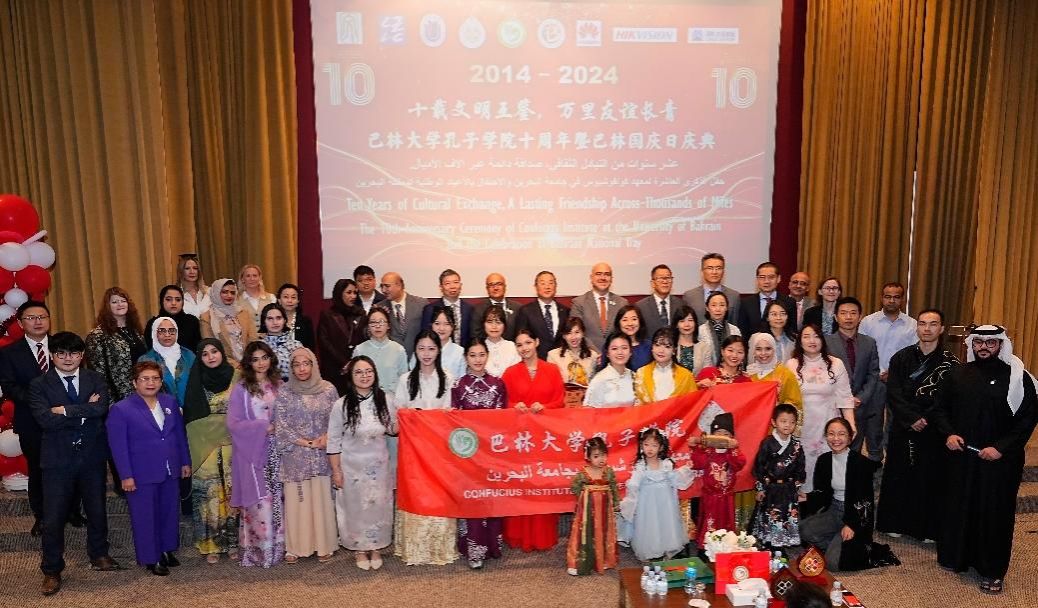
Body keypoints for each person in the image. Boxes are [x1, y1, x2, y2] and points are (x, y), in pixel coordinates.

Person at [931, 325, 1038, 594]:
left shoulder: (1018, 378)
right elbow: (940, 409)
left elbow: (1027, 420)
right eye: (978, 342)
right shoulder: (957, 374)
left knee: (994, 515)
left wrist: (1001, 448)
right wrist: (949, 433)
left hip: (1000, 462)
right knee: (959, 507)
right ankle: (957, 558)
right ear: (972, 344)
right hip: (962, 458)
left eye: (990, 343)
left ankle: (993, 571)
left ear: (1000, 345)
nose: (983, 347)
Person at [30, 331, 120, 595]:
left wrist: (64, 410)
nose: (67, 358)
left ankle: (99, 554)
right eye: (61, 353)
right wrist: (84, 410)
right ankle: (52, 569)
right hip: (57, 459)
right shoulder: (39, 385)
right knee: (53, 516)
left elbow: (100, 410)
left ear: (82, 356)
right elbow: (45, 420)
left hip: (91, 456)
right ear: (52, 355)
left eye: (74, 353)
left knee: (97, 509)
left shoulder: (95, 379)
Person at [876, 309, 958, 542]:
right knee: (899, 473)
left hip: (934, 427)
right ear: (917, 327)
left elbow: (949, 398)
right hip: (904, 424)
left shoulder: (951, 363)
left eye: (933, 324)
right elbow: (894, 392)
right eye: (922, 323)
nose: (927, 329)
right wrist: (911, 418)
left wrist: (927, 418)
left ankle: (927, 529)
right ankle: (895, 522)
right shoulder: (901, 358)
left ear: (941, 329)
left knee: (930, 477)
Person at [106, 361, 191, 576]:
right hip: (140, 473)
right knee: (145, 516)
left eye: (155, 378)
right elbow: (118, 447)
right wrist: (125, 475)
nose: (150, 383)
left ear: (161, 382)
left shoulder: (169, 402)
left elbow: (179, 435)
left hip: (170, 468)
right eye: (145, 379)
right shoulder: (121, 409)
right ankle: (151, 557)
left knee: (169, 511)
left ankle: (167, 549)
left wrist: (185, 461)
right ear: (135, 383)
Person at [393, 331, 458, 565]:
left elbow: (450, 414)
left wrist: (437, 417)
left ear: (438, 351)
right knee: (416, 493)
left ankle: (440, 549)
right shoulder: (405, 380)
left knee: (438, 494)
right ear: (415, 351)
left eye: (431, 348)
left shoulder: (448, 378)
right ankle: (415, 549)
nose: (426, 354)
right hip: (413, 449)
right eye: (421, 348)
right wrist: (413, 415)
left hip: (439, 448)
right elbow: (399, 412)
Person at [327, 356, 396, 571]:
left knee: (378, 508)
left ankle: (375, 548)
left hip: (379, 467)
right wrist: (336, 471)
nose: (364, 376)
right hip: (352, 467)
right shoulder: (341, 404)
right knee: (355, 508)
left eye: (368, 371)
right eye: (359, 372)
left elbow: (393, 429)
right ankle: (359, 548)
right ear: (351, 376)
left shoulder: (385, 399)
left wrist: (412, 416)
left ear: (375, 374)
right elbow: (333, 440)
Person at [501, 328, 565, 550]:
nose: (524, 348)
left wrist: (545, 407)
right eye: (519, 345)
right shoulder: (509, 373)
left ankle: (542, 536)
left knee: (542, 487)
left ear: (537, 342)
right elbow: (503, 402)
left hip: (545, 439)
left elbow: (560, 401)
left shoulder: (552, 370)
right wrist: (514, 406)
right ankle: (517, 535)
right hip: (520, 440)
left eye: (528, 342)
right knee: (521, 486)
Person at [274, 347, 338, 564]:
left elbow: (337, 420)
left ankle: (324, 544)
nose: (302, 369)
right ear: (291, 368)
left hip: (321, 454)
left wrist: (327, 436)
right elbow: (281, 425)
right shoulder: (285, 392)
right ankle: (296, 547)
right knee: (297, 502)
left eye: (306, 363)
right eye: (296, 364)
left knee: (321, 500)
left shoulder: (328, 389)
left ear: (313, 365)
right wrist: (305, 442)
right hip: (296, 455)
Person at [799, 418, 887, 571]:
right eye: (831, 434)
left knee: (832, 563)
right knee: (803, 530)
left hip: (854, 514)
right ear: (826, 437)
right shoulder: (824, 460)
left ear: (850, 437)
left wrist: (852, 524)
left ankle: (840, 545)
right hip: (834, 510)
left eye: (841, 434)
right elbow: (822, 493)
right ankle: (836, 542)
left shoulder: (860, 463)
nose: (836, 438)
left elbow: (865, 500)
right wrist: (807, 497)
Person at [227, 341, 284, 568]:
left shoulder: (279, 385)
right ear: (248, 363)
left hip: (277, 449)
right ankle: (261, 551)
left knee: (279, 498)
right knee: (260, 502)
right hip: (252, 451)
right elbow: (233, 423)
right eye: (255, 359)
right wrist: (263, 427)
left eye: (265, 357)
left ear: (271, 359)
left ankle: (280, 548)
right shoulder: (241, 389)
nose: (261, 363)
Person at [183, 339, 240, 564]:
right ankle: (211, 545)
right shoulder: (196, 379)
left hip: (232, 446)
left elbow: (245, 410)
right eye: (205, 354)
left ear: (222, 353)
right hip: (204, 447)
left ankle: (233, 543)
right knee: (209, 496)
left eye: (214, 351)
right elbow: (191, 418)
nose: (210, 357)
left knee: (232, 494)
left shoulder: (236, 376)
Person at [0, 301, 55, 535]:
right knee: (38, 468)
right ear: (21, 324)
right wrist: (40, 403)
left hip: (65, 419)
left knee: (69, 467)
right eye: (31, 318)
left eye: (42, 316)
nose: (38, 321)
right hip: (31, 420)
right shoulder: (9, 353)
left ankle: (72, 511)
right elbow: (9, 386)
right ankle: (41, 516)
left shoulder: (62, 345)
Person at [452, 339, 507, 569]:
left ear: (487, 356)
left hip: (492, 451)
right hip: (468, 453)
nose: (477, 359)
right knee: (473, 500)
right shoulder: (458, 385)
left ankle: (493, 545)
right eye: (473, 355)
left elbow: (503, 420)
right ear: (466, 358)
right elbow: (454, 422)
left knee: (491, 499)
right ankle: (474, 550)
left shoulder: (498, 384)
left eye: (482, 354)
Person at [787, 324, 854, 492]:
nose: (812, 340)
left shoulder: (836, 364)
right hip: (802, 428)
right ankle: (804, 500)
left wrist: (851, 425)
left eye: (816, 336)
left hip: (828, 426)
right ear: (799, 341)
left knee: (827, 467)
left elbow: (845, 398)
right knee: (803, 466)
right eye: (806, 336)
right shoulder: (791, 365)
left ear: (823, 340)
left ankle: (827, 500)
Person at [617, 428, 696, 561]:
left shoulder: (666, 464)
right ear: (641, 446)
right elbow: (634, 485)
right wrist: (628, 503)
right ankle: (651, 550)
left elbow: (676, 479)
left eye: (654, 445)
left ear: (661, 447)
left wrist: (687, 469)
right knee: (650, 525)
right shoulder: (641, 466)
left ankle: (666, 548)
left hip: (665, 502)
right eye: (646, 444)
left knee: (665, 523)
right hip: (647, 503)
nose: (650, 448)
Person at [825, 297, 882, 461]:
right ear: (836, 317)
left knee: (856, 449)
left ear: (860, 316)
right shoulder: (826, 342)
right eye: (843, 313)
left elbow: (873, 373)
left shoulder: (869, 343)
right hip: (835, 406)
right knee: (834, 450)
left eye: (853, 313)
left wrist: (860, 398)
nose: (848, 317)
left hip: (862, 405)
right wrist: (844, 399)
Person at [749, 403, 805, 549]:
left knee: (786, 516)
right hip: (771, 488)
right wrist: (760, 488)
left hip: (788, 488)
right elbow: (759, 467)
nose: (788, 425)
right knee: (771, 517)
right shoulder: (767, 443)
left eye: (792, 422)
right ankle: (769, 544)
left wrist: (798, 487)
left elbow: (800, 467)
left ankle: (781, 545)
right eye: (783, 421)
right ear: (774, 422)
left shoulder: (796, 445)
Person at [688, 413, 746, 547]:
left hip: (727, 496)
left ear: (732, 437)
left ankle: (726, 546)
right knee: (709, 522)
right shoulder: (708, 452)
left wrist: (733, 449)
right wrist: (696, 447)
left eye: (726, 434)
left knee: (726, 522)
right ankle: (706, 547)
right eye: (718, 433)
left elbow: (739, 464)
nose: (721, 437)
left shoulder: (733, 452)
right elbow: (697, 463)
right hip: (710, 496)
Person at [566, 437, 620, 576]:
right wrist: (584, 498)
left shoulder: (608, 472)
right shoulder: (583, 473)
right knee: (586, 532)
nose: (601, 459)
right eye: (596, 456)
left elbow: (614, 488)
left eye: (603, 455)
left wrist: (615, 502)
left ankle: (604, 560)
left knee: (603, 531)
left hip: (604, 510)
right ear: (588, 457)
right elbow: (575, 487)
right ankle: (578, 562)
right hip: (587, 511)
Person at [858, 282, 918, 381]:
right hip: (872, 379)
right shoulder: (867, 322)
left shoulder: (912, 324)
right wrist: (879, 373)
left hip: (901, 380)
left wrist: (894, 372)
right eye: (888, 297)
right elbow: (862, 352)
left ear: (902, 299)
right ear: (881, 298)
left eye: (896, 297)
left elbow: (914, 355)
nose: (891, 301)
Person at [317, 278, 367, 395]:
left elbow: (364, 340)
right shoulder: (327, 315)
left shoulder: (361, 314)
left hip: (356, 368)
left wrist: (353, 363)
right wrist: (344, 362)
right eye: (349, 292)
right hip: (334, 369)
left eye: (355, 293)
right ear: (339, 293)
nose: (353, 296)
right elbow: (324, 342)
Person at [569, 262, 630, 353]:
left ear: (611, 279)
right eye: (598, 274)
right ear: (591, 278)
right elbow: (576, 332)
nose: (603, 278)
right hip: (588, 354)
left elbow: (625, 333)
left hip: (616, 355)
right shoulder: (579, 303)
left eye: (607, 274)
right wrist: (596, 353)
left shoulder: (622, 303)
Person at [746, 333, 804, 423]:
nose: (763, 353)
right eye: (758, 349)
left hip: (777, 428)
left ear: (774, 349)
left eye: (768, 349)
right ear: (753, 351)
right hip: (754, 425)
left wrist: (778, 408)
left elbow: (795, 404)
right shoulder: (749, 375)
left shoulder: (784, 374)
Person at [138, 317, 195, 407]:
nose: (167, 334)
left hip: (191, 409)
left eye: (171, 330)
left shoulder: (189, 355)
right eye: (162, 331)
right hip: (160, 409)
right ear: (155, 333)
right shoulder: (146, 360)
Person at [200, 278, 257, 366]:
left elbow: (253, 340)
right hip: (224, 365)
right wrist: (236, 365)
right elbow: (211, 348)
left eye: (232, 292)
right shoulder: (207, 317)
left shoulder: (243, 313)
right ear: (216, 293)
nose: (229, 296)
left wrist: (249, 361)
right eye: (225, 292)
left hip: (248, 362)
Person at [514, 270, 569, 359]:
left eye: (551, 283)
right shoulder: (526, 311)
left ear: (555, 286)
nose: (547, 287)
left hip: (561, 360)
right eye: (543, 283)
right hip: (536, 360)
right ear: (536, 287)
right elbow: (521, 339)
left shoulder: (565, 311)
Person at [634, 328, 697, 404]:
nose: (661, 351)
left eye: (667, 346)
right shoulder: (641, 373)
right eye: (657, 345)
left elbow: (693, 405)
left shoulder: (686, 376)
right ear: (652, 348)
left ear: (674, 350)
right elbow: (637, 405)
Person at [738, 262, 796, 337]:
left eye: (771, 277)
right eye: (762, 277)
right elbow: (743, 332)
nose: (766, 281)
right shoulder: (746, 303)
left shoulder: (789, 302)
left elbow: (792, 330)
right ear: (757, 280)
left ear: (778, 279)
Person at [375, 271, 426, 357]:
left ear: (399, 285)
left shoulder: (421, 304)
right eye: (382, 286)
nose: (383, 290)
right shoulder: (379, 307)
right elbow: (368, 333)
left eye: (387, 286)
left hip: (417, 358)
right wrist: (380, 318)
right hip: (391, 358)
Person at [682, 252, 742, 324]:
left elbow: (735, 324)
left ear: (723, 271)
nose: (714, 272)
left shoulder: (734, 296)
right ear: (702, 271)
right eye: (710, 268)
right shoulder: (689, 296)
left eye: (718, 268)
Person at [421, 268, 473, 347]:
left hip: (464, 352)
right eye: (447, 283)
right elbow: (426, 335)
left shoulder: (469, 309)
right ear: (441, 287)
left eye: (456, 282)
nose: (452, 286)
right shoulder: (430, 309)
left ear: (461, 285)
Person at [692, 291, 741, 374]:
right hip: (706, 375)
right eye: (713, 305)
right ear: (707, 308)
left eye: (722, 305)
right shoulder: (700, 331)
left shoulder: (735, 330)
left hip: (731, 373)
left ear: (727, 308)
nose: (718, 309)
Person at [413, 305, 466, 380]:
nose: (441, 328)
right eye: (437, 323)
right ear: (431, 325)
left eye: (447, 324)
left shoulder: (460, 352)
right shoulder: (421, 349)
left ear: (453, 327)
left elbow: (462, 381)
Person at [583, 332, 636, 407]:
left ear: (630, 352)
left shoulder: (634, 377)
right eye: (614, 349)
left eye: (624, 348)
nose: (620, 352)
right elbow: (590, 410)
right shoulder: (600, 379)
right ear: (607, 353)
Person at [144, 285, 202, 351]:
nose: (173, 303)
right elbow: (150, 349)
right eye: (168, 299)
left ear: (182, 302)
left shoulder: (191, 321)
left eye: (178, 300)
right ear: (161, 301)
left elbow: (197, 349)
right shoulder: (154, 323)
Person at [547, 317, 599, 388]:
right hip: (562, 394)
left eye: (577, 332)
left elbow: (595, 384)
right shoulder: (553, 355)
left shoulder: (593, 355)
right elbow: (551, 384)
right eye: (569, 333)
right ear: (564, 336)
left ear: (583, 333)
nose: (573, 337)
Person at [636, 264, 684, 338]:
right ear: (652, 283)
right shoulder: (640, 307)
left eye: (668, 278)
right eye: (661, 278)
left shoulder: (681, 304)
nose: (665, 281)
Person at [259, 302, 303, 382]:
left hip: (293, 386)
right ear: (264, 322)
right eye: (270, 319)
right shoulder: (259, 346)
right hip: (265, 387)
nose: (275, 322)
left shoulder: (296, 345)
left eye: (278, 318)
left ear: (284, 320)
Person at [470, 272, 518, 340]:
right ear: (487, 288)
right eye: (491, 285)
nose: (495, 288)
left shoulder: (517, 307)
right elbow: (476, 335)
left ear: (505, 287)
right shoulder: (478, 309)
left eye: (499, 284)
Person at [480, 304, 519, 377]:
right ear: (483, 324)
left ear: (504, 325)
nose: (494, 326)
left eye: (498, 322)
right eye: (489, 322)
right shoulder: (479, 347)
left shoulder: (512, 346)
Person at [276, 283, 315, 350]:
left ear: (298, 301)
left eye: (293, 297)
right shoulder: (273, 320)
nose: (290, 301)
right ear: (279, 300)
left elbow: (310, 346)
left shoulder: (305, 321)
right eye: (286, 297)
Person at [237, 264, 276, 330]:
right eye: (248, 276)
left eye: (255, 275)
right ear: (242, 279)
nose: (252, 279)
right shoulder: (237, 301)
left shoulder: (271, 298)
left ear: (260, 278)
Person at [613, 304, 651, 370]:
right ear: (618, 323)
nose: (630, 323)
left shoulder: (649, 346)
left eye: (634, 319)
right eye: (625, 320)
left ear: (640, 321)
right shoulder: (611, 346)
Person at [177, 253, 211, 318]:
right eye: (187, 268)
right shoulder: (177, 295)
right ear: (181, 272)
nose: (192, 272)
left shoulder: (209, 292)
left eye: (195, 268)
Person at [672, 305, 699, 374]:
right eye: (682, 321)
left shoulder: (704, 347)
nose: (687, 324)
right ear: (676, 325)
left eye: (690, 320)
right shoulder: (670, 346)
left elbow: (706, 374)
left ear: (695, 323)